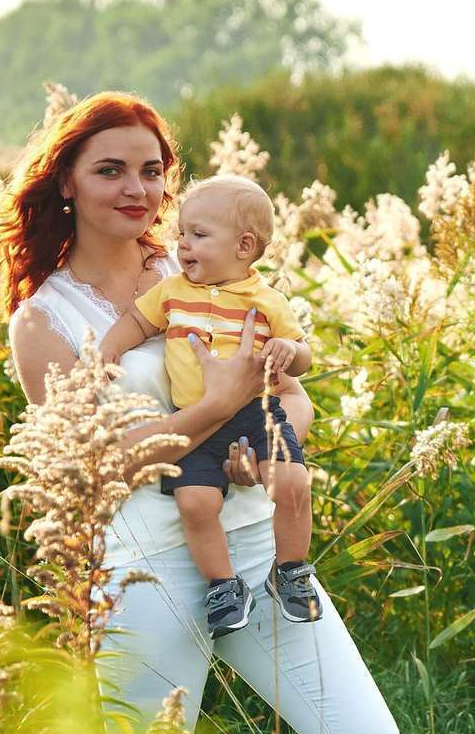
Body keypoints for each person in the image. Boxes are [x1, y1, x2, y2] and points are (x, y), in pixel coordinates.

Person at [0, 91, 414, 734]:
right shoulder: (43, 323)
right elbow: (97, 463)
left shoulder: (208, 269)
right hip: (145, 570)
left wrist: (268, 430)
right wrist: (217, 407)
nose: (137, 190)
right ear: (67, 182)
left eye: (152, 171)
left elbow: (292, 393)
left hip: (257, 549)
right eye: (110, 169)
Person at [97, 175, 322, 634]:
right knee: (196, 504)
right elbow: (138, 321)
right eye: (181, 234)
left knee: (293, 483)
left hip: (257, 414)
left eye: (198, 235)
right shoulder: (173, 291)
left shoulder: (266, 300)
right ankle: (223, 585)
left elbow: (302, 357)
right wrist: (108, 349)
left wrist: (287, 350)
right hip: (192, 425)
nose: (182, 245)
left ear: (243, 246)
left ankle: (292, 569)